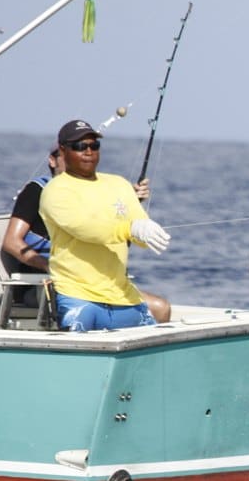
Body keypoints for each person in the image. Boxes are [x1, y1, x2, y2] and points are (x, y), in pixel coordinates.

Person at [1, 144, 171, 320]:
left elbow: (108, 235)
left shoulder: (89, 193)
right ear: (53, 160)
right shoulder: (37, 191)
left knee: (161, 308)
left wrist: (131, 203)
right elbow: (11, 242)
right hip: (45, 285)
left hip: (94, 282)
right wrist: (47, 265)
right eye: (67, 155)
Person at [39, 119, 173, 332]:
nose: (88, 151)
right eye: (80, 146)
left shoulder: (118, 184)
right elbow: (86, 228)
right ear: (63, 151)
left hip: (124, 297)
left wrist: (145, 231)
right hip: (78, 297)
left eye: (94, 146)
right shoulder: (56, 191)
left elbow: (138, 227)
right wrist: (130, 229)